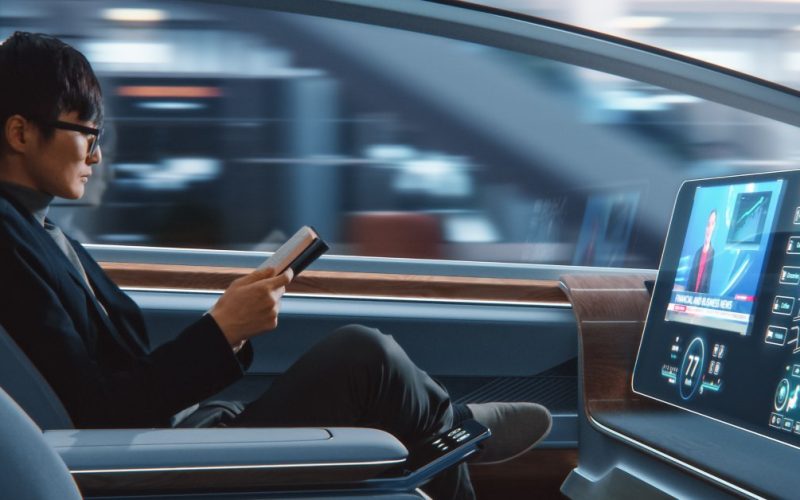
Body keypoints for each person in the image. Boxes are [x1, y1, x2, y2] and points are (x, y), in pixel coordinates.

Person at [0, 32, 551, 499]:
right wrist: (223, 330)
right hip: (145, 458)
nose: (96, 155)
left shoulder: (37, 230)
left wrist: (223, 332)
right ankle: (453, 430)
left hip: (171, 429)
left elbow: (107, 375)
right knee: (367, 357)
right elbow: (98, 412)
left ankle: (446, 428)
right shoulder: (9, 245)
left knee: (367, 364)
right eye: (87, 133)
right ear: (21, 133)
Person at [688, 209, 716, 294]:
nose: (709, 228)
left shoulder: (714, 254)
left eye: (712, 224)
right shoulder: (697, 253)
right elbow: (690, 281)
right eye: (708, 224)